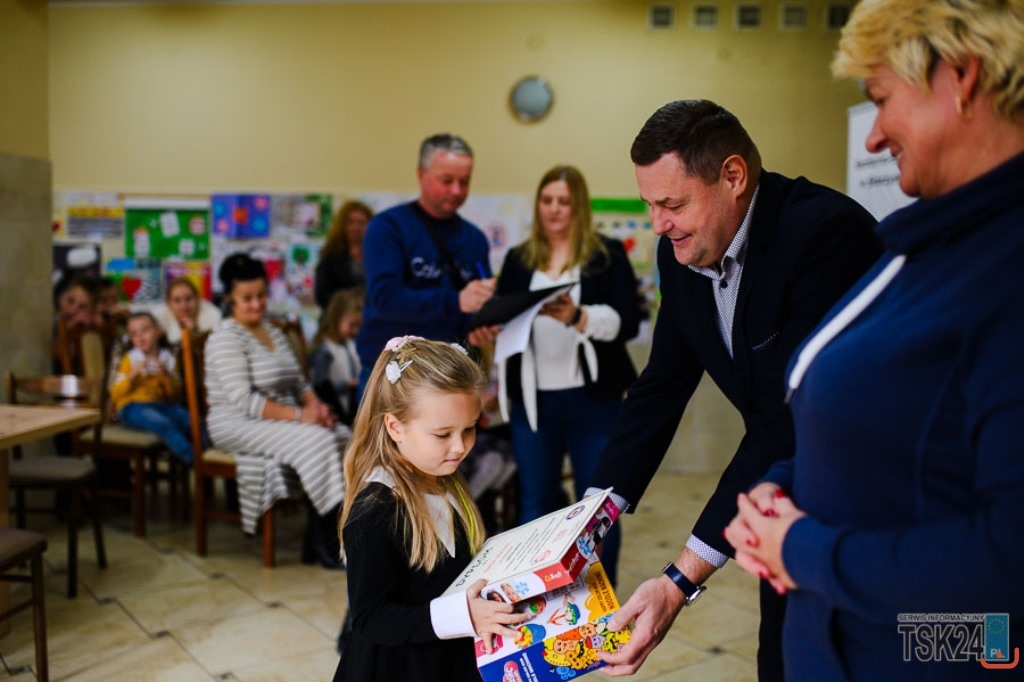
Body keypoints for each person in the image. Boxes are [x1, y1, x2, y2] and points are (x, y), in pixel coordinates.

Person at [724, 2, 1024, 680]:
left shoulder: (1004, 265)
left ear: (961, 76)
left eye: (881, 99)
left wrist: (801, 549)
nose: (873, 137)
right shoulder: (931, 242)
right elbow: (897, 442)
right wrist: (783, 485)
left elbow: (1007, 576)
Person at [587, 99, 883, 680]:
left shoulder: (825, 236)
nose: (658, 224)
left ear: (733, 176)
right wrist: (590, 519)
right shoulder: (680, 252)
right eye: (649, 206)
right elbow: (660, 388)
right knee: (781, 660)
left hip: (865, 511)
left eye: (672, 204)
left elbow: (787, 417)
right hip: (781, 502)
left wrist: (680, 579)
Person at [332, 336, 529, 681]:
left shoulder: (443, 474)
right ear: (395, 427)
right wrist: (462, 615)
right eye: (442, 434)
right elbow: (371, 618)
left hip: (451, 655)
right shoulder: (374, 512)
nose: (460, 447)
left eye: (469, 429)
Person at [495, 165, 641, 586]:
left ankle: (599, 604)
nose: (555, 209)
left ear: (578, 206)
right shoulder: (519, 259)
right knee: (535, 504)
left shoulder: (605, 254)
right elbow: (503, 320)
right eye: (547, 200)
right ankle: (534, 601)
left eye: (564, 201)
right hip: (533, 401)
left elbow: (630, 321)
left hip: (595, 401)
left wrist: (578, 316)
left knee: (596, 511)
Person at [204, 253, 349, 569]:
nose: (257, 304)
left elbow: (299, 382)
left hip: (279, 418)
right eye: (247, 298)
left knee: (343, 435)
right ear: (229, 299)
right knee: (318, 440)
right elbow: (244, 400)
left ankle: (318, 537)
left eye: (261, 295)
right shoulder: (224, 338)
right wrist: (301, 416)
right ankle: (327, 542)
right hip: (236, 422)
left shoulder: (274, 332)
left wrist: (315, 406)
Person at [355, 133, 496, 398]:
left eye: (464, 182)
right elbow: (387, 300)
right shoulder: (387, 228)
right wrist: (455, 301)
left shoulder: (475, 239)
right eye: (447, 180)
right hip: (392, 374)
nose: (456, 190)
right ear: (421, 174)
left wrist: (482, 326)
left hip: (451, 372)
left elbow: (476, 310)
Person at [108, 312, 195, 465]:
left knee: (192, 420)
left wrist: (165, 376)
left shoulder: (168, 358)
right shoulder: (130, 359)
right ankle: (193, 459)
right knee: (162, 422)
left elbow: (175, 396)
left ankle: (206, 456)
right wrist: (131, 376)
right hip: (132, 407)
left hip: (161, 405)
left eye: (145, 330)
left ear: (158, 331)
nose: (140, 337)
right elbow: (115, 393)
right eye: (134, 334)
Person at [309, 289, 363, 425]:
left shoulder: (350, 344)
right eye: (352, 325)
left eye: (358, 325)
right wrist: (347, 384)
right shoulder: (324, 350)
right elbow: (319, 386)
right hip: (337, 411)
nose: (356, 330)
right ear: (337, 319)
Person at [314, 200, 373, 309]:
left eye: (361, 223)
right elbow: (321, 295)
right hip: (338, 316)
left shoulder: (379, 256)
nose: (356, 227)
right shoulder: (330, 256)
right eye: (350, 222)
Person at [152, 276, 223, 346]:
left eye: (188, 298)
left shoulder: (213, 316)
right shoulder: (159, 321)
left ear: (197, 299)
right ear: (169, 304)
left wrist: (194, 332)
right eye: (177, 300)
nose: (183, 305)